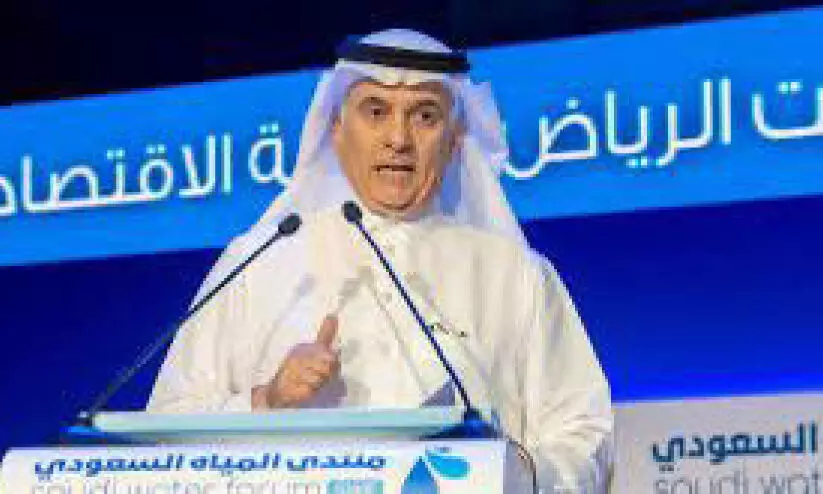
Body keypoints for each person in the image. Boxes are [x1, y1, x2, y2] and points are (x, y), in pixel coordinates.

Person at [147, 28, 612, 492]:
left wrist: (513, 474)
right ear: (336, 129)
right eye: (375, 111)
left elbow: (583, 432)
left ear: (455, 138)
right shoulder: (260, 261)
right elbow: (166, 427)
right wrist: (266, 400)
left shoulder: (514, 275)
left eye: (425, 116)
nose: (398, 139)